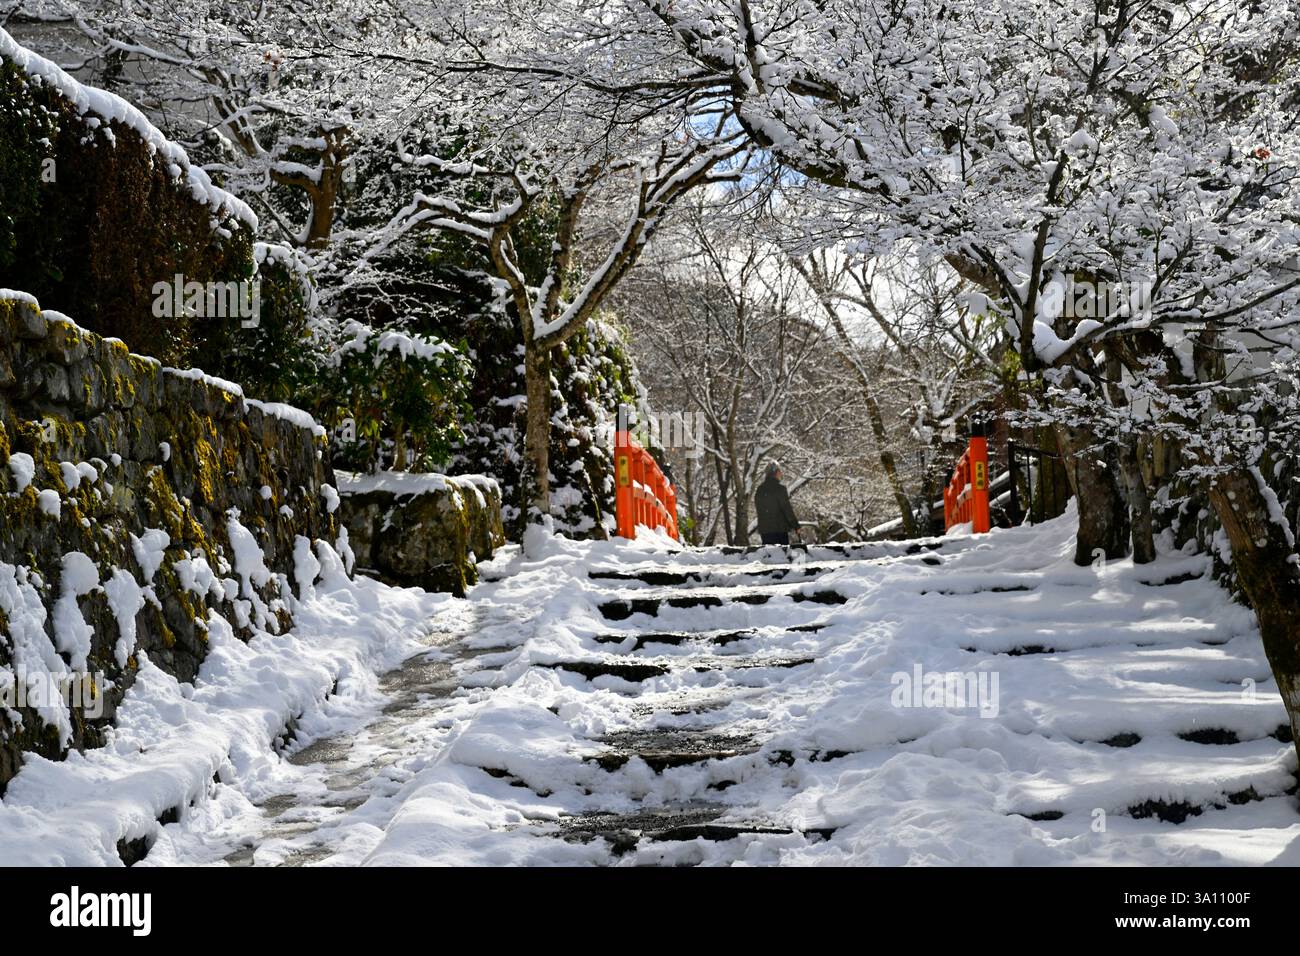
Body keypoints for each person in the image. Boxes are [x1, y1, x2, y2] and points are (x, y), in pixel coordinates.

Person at [754, 461, 800, 546]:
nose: (781, 473)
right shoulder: (780, 489)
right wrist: (796, 526)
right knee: (782, 555)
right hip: (780, 530)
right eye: (779, 471)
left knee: (769, 556)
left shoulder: (760, 490)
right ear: (776, 472)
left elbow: (759, 509)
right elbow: (787, 509)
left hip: (765, 531)